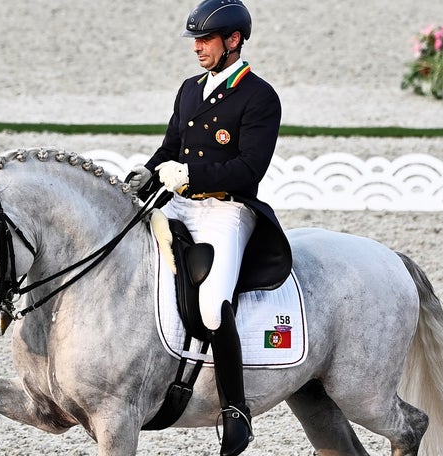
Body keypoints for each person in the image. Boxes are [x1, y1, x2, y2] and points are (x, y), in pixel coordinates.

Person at [129, 1, 291, 455]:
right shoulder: (188, 89)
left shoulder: (259, 96)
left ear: (233, 41)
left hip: (227, 210)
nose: (197, 48)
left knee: (215, 304)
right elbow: (170, 148)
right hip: (180, 204)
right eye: (196, 41)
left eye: (205, 40)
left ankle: (235, 412)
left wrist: (193, 177)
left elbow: (249, 168)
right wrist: (146, 173)